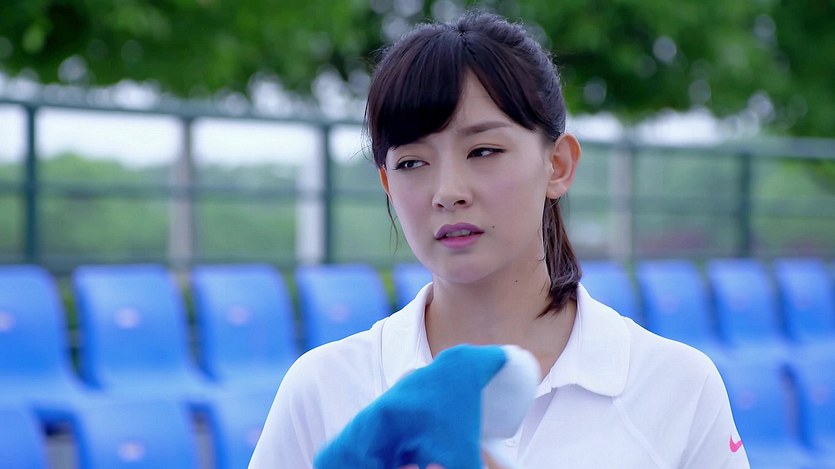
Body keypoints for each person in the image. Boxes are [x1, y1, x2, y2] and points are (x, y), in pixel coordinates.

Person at [250, 10, 749, 469]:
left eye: (484, 151)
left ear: (558, 165)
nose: (447, 192)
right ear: (386, 183)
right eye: (412, 162)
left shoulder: (677, 387)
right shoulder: (325, 388)